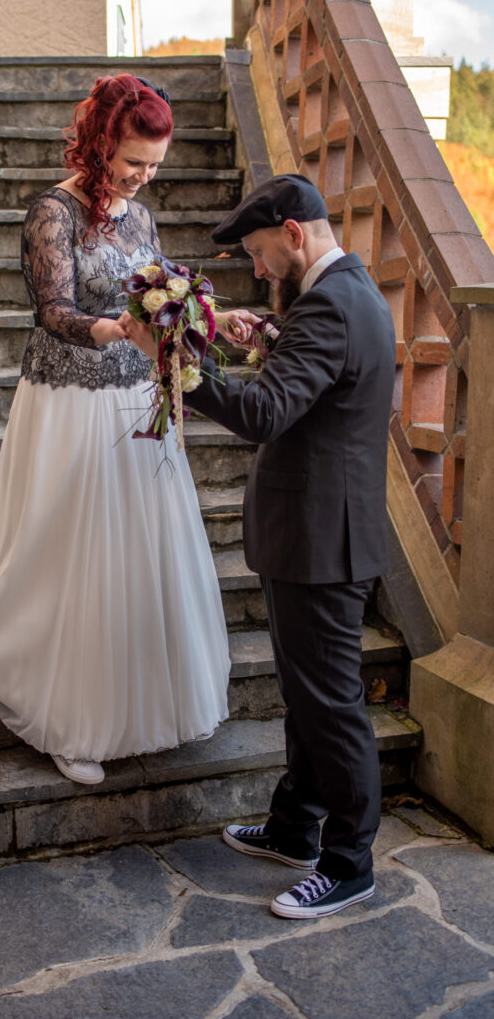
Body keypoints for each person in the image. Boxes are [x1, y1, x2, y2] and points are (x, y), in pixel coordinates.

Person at [0, 74, 230, 786]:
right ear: (103, 144)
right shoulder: (52, 212)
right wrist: (112, 328)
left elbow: (159, 290)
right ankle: (69, 718)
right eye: (135, 162)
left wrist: (192, 321)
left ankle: (138, 701)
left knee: (138, 556)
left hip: (133, 402)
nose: (145, 178)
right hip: (66, 402)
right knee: (71, 554)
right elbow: (51, 309)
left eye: (156, 166)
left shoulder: (141, 218)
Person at [121, 173, 396, 919]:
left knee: (331, 706)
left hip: (321, 542)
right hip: (315, 535)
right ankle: (292, 826)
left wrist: (178, 361)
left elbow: (267, 412)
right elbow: (327, 384)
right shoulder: (347, 295)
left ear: (295, 234)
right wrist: (272, 336)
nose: (259, 268)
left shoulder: (331, 308)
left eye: (261, 252)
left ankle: (347, 863)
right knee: (308, 696)